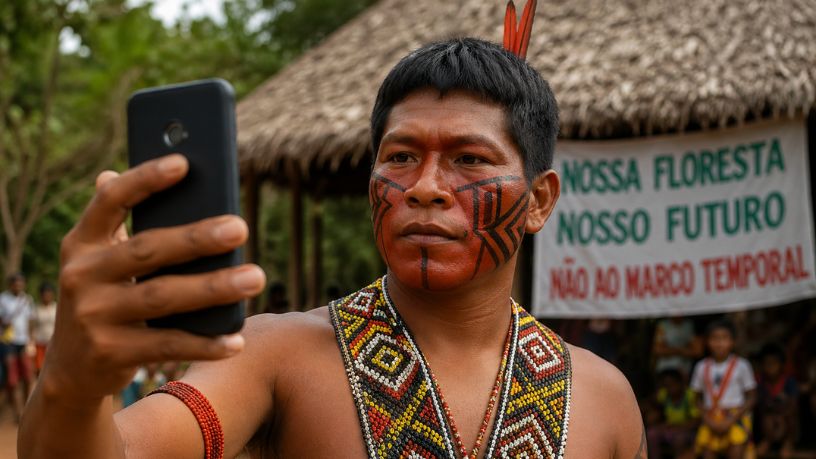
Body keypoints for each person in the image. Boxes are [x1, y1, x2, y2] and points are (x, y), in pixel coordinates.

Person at [19, 26, 646, 459]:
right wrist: (73, 386)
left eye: (469, 159)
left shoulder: (604, 398)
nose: (425, 187)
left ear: (537, 200)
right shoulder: (276, 356)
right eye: (400, 156)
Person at [691, 319, 757, 459]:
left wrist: (731, 419)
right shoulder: (701, 367)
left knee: (736, 452)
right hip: (710, 418)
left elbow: (752, 397)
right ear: (707, 342)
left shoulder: (742, 365)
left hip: (735, 417)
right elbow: (696, 398)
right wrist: (708, 420)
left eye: (724, 338)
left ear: (733, 342)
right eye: (715, 338)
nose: (719, 343)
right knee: (707, 453)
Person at [0, 272, 35, 423]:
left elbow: (30, 320)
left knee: (28, 376)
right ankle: (17, 412)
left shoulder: (27, 299)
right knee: (12, 378)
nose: (19, 286)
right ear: (11, 285)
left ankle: (27, 409)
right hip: (7, 341)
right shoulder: (3, 299)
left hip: (23, 341)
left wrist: (30, 339)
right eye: (16, 283)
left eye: (21, 283)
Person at [754, 344, 798, 458]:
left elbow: (794, 404)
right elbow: (759, 404)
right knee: (766, 419)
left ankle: (788, 442)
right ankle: (767, 441)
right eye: (766, 364)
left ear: (782, 365)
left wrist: (782, 415)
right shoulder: (760, 382)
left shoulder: (789, 381)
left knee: (791, 418)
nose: (770, 367)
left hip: (786, 416)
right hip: (767, 417)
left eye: (774, 363)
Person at [647, 368, 699, 459]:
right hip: (669, 428)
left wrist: (679, 427)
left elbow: (696, 420)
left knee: (679, 439)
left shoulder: (689, 396)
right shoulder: (664, 394)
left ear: (680, 383)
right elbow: (652, 403)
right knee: (651, 434)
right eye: (666, 385)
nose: (670, 388)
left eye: (672, 384)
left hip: (686, 430)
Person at [31, 281, 58, 374]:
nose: (47, 296)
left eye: (49, 293)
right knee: (39, 369)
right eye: (45, 294)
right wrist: (30, 342)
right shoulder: (36, 308)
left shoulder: (57, 308)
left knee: (53, 370)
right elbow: (31, 326)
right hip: (39, 343)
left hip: (53, 344)